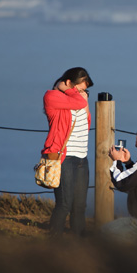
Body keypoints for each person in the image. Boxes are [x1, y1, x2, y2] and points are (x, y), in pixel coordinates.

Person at [42, 67, 93, 237]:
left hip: (81, 157)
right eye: (79, 89)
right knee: (64, 203)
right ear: (68, 83)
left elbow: (86, 123)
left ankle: (78, 241)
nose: (82, 93)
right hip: (64, 156)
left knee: (80, 205)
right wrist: (78, 97)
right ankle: (54, 239)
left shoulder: (76, 97)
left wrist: (80, 98)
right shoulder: (52, 96)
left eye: (84, 90)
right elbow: (79, 103)